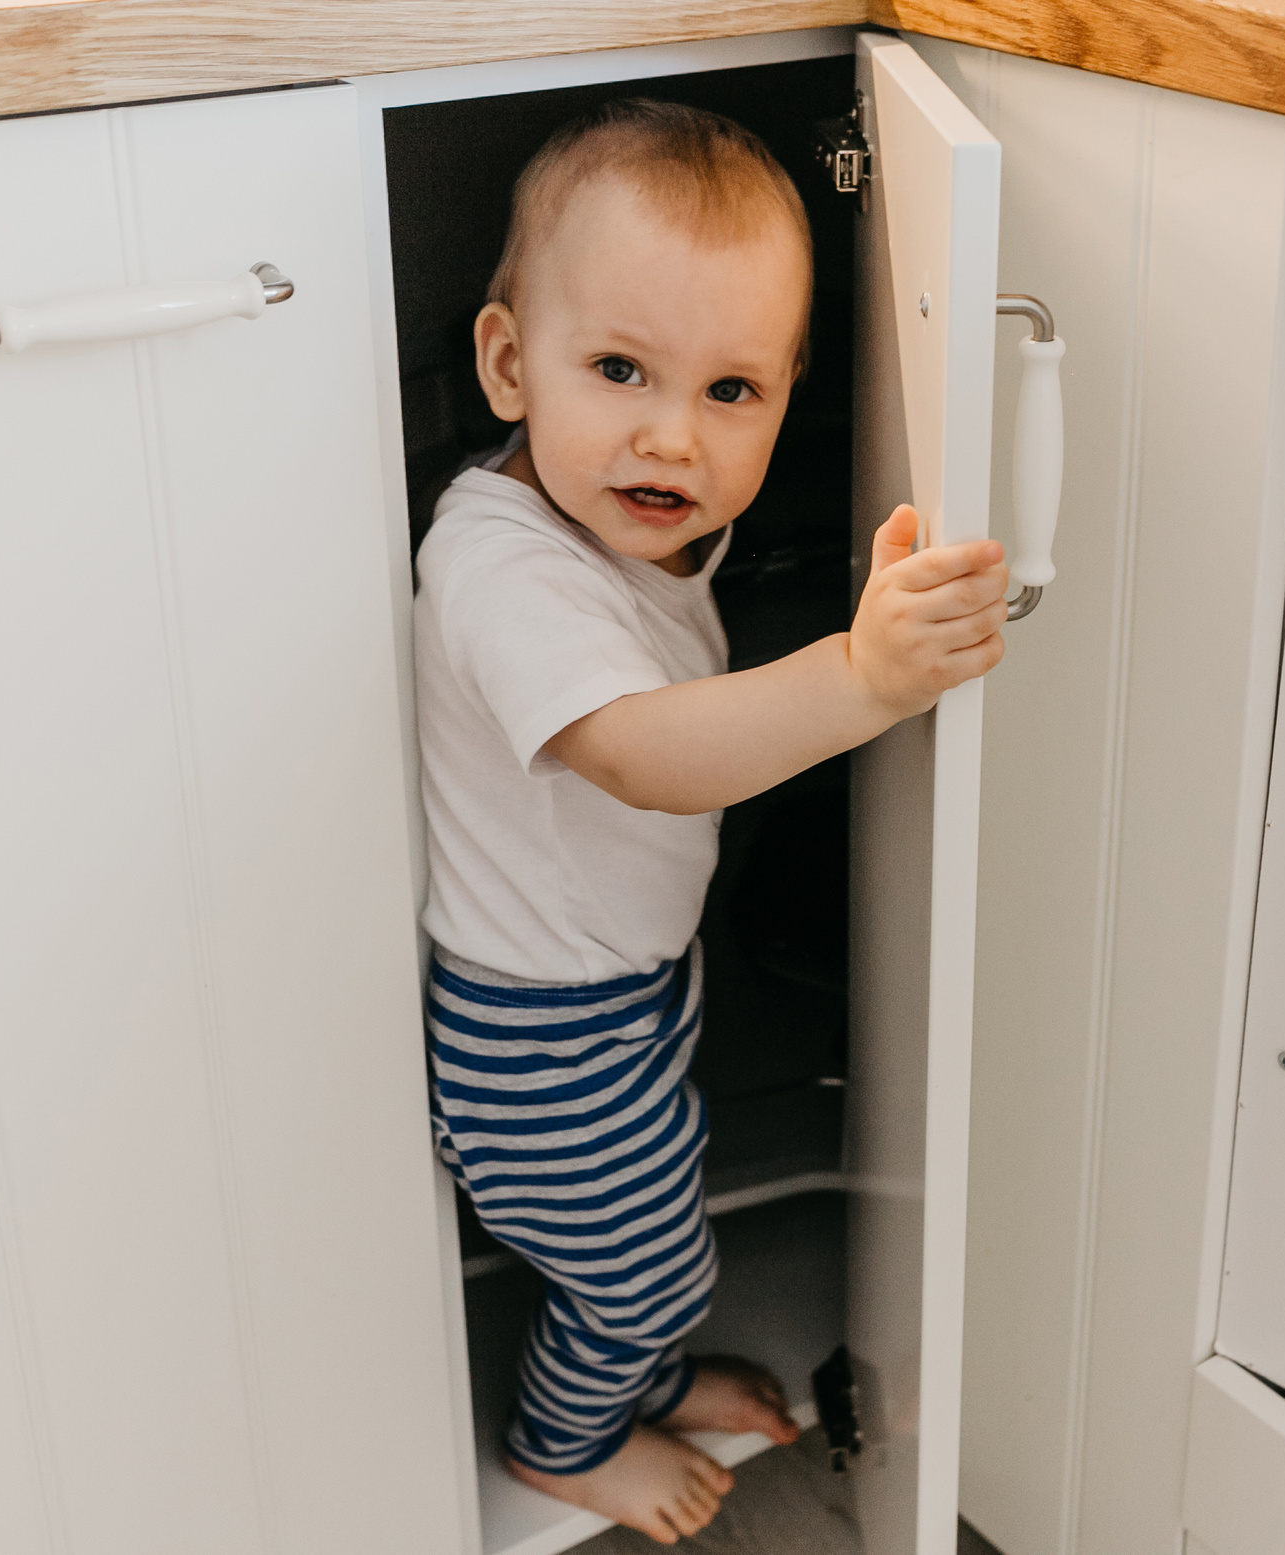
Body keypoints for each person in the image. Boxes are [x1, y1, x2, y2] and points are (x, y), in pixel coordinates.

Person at [413, 98, 1009, 1544]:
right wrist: (864, 673)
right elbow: (642, 755)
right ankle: (566, 1442)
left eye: (731, 392)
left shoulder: (615, 508)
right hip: (536, 1029)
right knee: (644, 1272)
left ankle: (639, 1383)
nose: (669, 437)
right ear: (509, 364)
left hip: (620, 983)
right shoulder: (501, 565)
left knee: (645, 1228)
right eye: (618, 368)